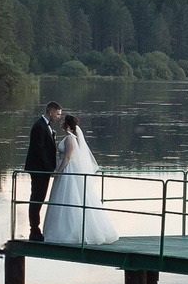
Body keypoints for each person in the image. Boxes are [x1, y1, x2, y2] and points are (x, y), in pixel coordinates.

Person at [40, 115, 120, 247]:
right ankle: (62, 230)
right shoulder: (69, 137)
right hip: (66, 170)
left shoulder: (70, 138)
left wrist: (58, 172)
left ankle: (71, 233)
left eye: (63, 120)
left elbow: (67, 157)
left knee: (70, 198)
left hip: (68, 171)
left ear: (67, 124)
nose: (61, 122)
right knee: (65, 199)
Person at [23, 101, 61, 241]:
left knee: (39, 199)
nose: (58, 117)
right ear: (50, 112)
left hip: (42, 170)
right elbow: (39, 150)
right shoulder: (39, 126)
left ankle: (35, 229)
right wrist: (49, 169)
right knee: (36, 199)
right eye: (57, 114)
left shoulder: (47, 126)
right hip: (38, 170)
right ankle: (34, 230)